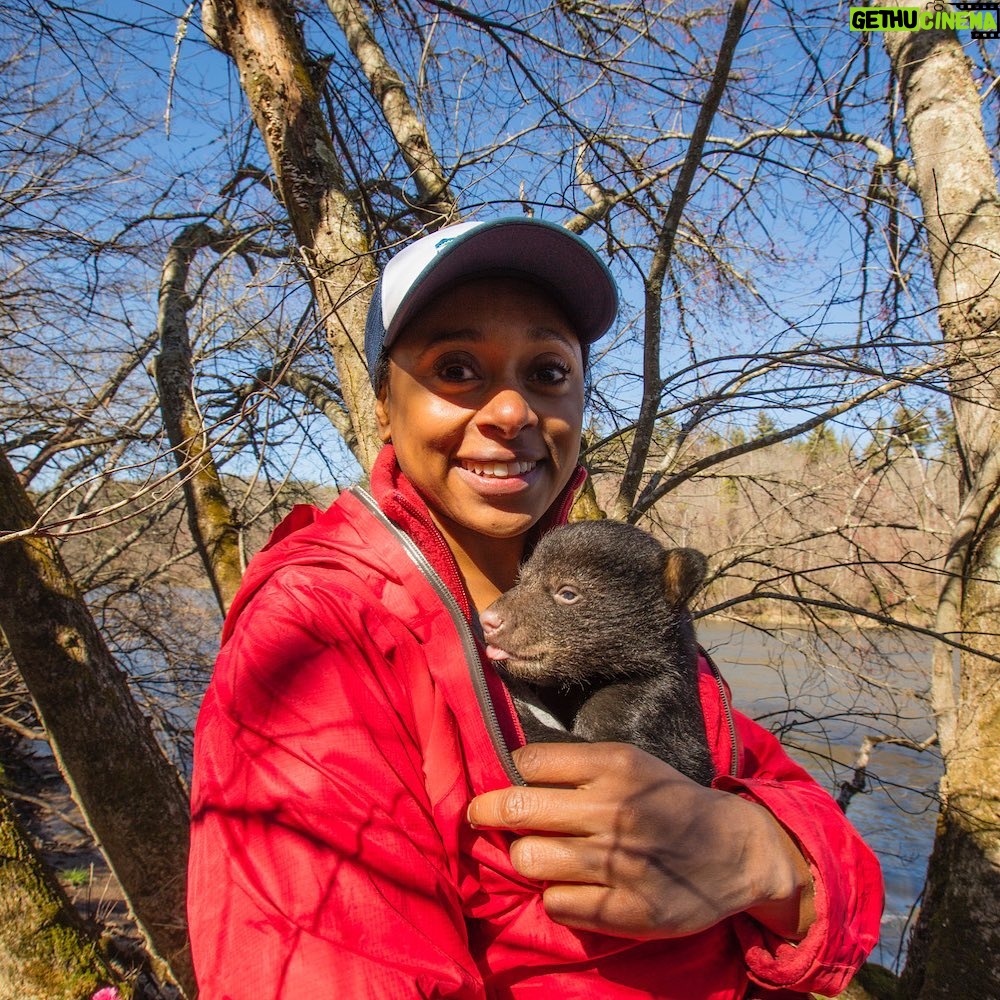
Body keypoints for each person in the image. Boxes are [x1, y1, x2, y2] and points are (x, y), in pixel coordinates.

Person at [187, 217, 882, 999]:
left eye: (548, 371)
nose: (512, 411)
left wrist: (763, 858)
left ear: (580, 402)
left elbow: (840, 879)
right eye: (457, 368)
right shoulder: (322, 629)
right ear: (383, 405)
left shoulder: (615, 611)